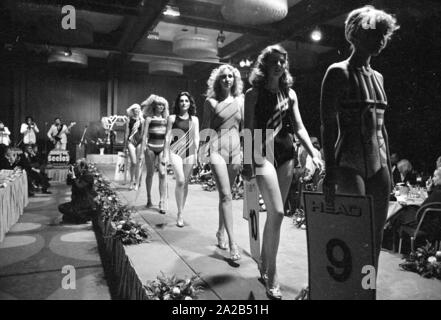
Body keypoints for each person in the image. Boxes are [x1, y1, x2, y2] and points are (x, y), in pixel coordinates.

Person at [320, 6, 399, 271]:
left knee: (374, 239)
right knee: (353, 235)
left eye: (383, 35)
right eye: (374, 34)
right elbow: (328, 126)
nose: (380, 40)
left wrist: (388, 165)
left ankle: (368, 292)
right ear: (356, 34)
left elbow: (382, 126)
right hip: (348, 163)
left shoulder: (379, 77)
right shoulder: (337, 72)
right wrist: (329, 172)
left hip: (380, 166)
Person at [243, 45, 322, 299]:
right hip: (261, 153)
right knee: (276, 212)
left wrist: (313, 152)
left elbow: (299, 127)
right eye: (274, 61)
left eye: (282, 62)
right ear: (265, 65)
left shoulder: (290, 94)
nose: (279, 65)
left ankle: (265, 264)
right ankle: (273, 273)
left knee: (275, 217)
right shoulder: (253, 94)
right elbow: (249, 128)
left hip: (286, 154)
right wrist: (247, 163)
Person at [201, 64, 243, 259]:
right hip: (216, 151)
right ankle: (233, 244)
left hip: (236, 153)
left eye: (230, 76)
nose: (227, 79)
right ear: (218, 80)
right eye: (224, 77)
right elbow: (205, 129)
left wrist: (250, 155)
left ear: (235, 80)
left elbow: (247, 129)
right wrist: (202, 154)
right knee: (226, 196)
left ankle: (220, 231)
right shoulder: (210, 102)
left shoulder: (241, 101)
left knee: (227, 196)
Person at [164, 92, 199, 225]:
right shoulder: (172, 118)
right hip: (175, 151)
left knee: (185, 183)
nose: (184, 103)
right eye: (181, 101)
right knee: (180, 180)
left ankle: (181, 212)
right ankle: (179, 212)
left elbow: (196, 137)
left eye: (186, 101)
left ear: (190, 103)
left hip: (189, 152)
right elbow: (167, 136)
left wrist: (197, 154)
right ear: (178, 103)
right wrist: (165, 154)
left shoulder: (194, 119)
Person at [140, 95, 169, 210]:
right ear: (154, 106)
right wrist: (142, 152)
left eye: (163, 105)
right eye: (158, 104)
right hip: (150, 148)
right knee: (150, 174)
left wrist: (167, 152)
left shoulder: (166, 120)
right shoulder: (149, 119)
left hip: (162, 148)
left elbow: (168, 136)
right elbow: (144, 136)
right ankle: (149, 198)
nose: (161, 107)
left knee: (162, 173)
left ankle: (162, 201)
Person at [59, 159, 98, 224]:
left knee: (66, 212)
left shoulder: (88, 175)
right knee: (62, 209)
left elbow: (79, 187)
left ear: (82, 167)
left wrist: (74, 177)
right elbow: (69, 183)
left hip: (85, 203)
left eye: (77, 165)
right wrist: (69, 175)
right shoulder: (78, 174)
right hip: (77, 202)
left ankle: (84, 217)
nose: (75, 167)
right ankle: (80, 217)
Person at [125, 104, 144, 190]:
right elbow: (126, 133)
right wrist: (124, 146)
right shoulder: (129, 120)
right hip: (131, 141)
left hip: (139, 141)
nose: (137, 110)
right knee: (133, 162)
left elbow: (144, 133)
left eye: (138, 109)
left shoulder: (142, 121)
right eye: (135, 109)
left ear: (140, 110)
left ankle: (137, 182)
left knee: (138, 163)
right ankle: (131, 181)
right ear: (132, 111)